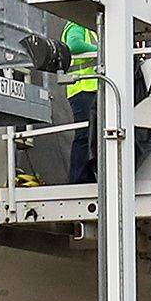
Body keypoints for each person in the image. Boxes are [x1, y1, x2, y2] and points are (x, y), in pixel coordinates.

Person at [61, 16, 100, 187]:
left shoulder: (91, 29)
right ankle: (79, 177)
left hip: (90, 88)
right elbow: (74, 45)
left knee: (90, 134)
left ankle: (86, 174)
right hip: (82, 88)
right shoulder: (77, 23)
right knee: (84, 134)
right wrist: (100, 49)